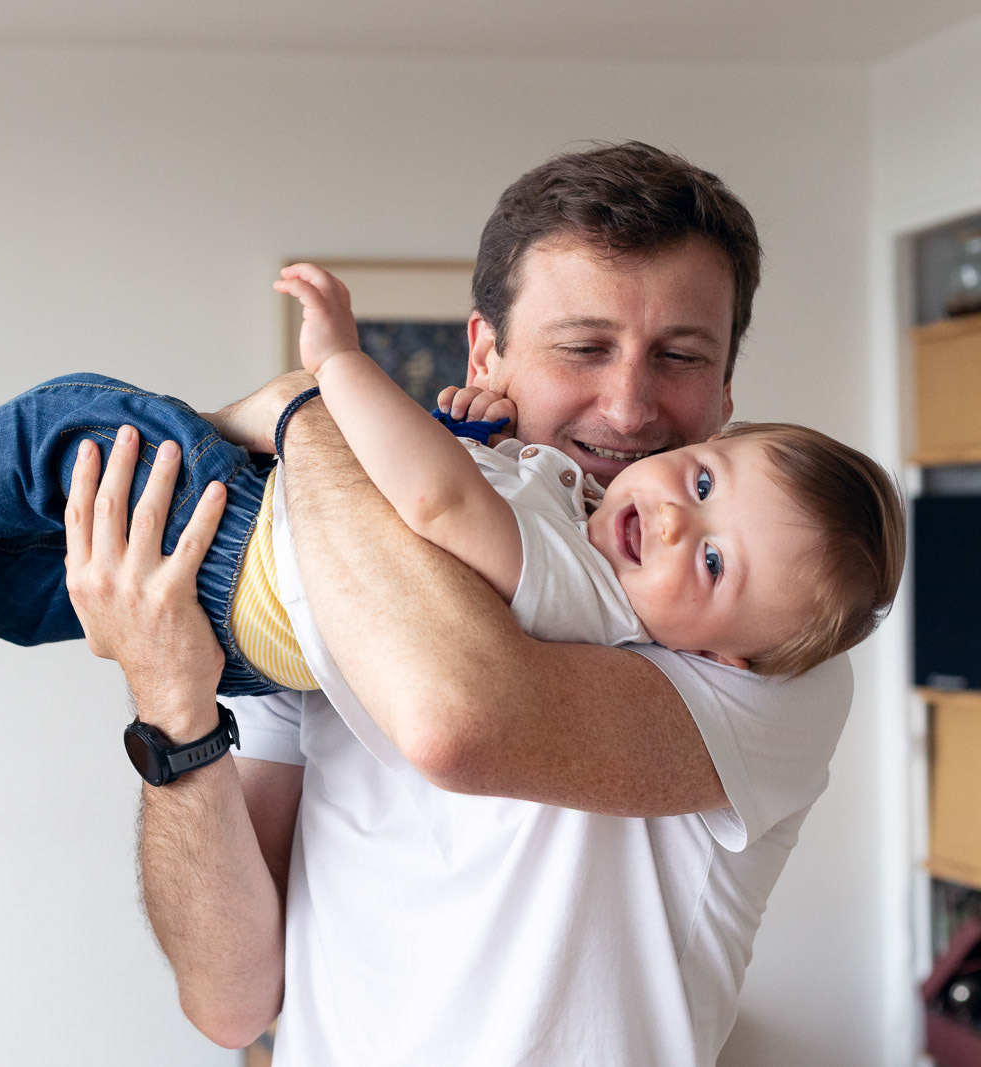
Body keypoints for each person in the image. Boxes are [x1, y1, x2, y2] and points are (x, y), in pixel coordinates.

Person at [63, 142, 884, 1065]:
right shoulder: (341, 558)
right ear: (486, 352)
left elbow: (455, 723)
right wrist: (171, 705)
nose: (627, 404)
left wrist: (307, 409)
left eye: (680, 355)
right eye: (584, 347)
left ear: (725, 393)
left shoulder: (777, 646)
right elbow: (231, 998)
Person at [0, 266, 899, 693]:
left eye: (713, 560)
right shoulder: (591, 548)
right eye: (704, 484)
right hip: (268, 653)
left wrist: (339, 365)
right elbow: (464, 500)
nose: (673, 520)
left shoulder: (580, 590)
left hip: (260, 552)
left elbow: (439, 503)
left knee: (76, 420)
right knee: (69, 573)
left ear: (723, 651)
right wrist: (469, 431)